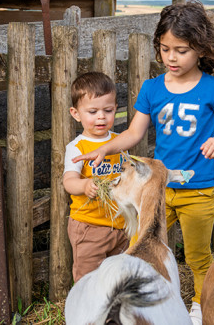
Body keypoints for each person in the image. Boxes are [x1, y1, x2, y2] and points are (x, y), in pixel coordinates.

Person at [73, 0, 214, 324]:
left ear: (201, 49)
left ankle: (199, 306)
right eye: (165, 49)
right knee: (137, 249)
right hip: (157, 191)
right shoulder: (152, 89)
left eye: (181, 50)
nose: (172, 57)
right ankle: (136, 307)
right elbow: (135, 132)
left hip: (199, 188)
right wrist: (105, 149)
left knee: (196, 256)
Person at [63, 71, 128, 282]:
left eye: (107, 110)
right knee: (88, 277)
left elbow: (127, 171)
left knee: (119, 276)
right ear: (76, 113)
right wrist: (85, 185)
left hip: (121, 224)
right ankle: (88, 313)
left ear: (115, 109)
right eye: (92, 111)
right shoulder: (77, 147)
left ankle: (113, 312)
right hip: (89, 227)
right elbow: (69, 181)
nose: (101, 116)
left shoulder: (119, 141)